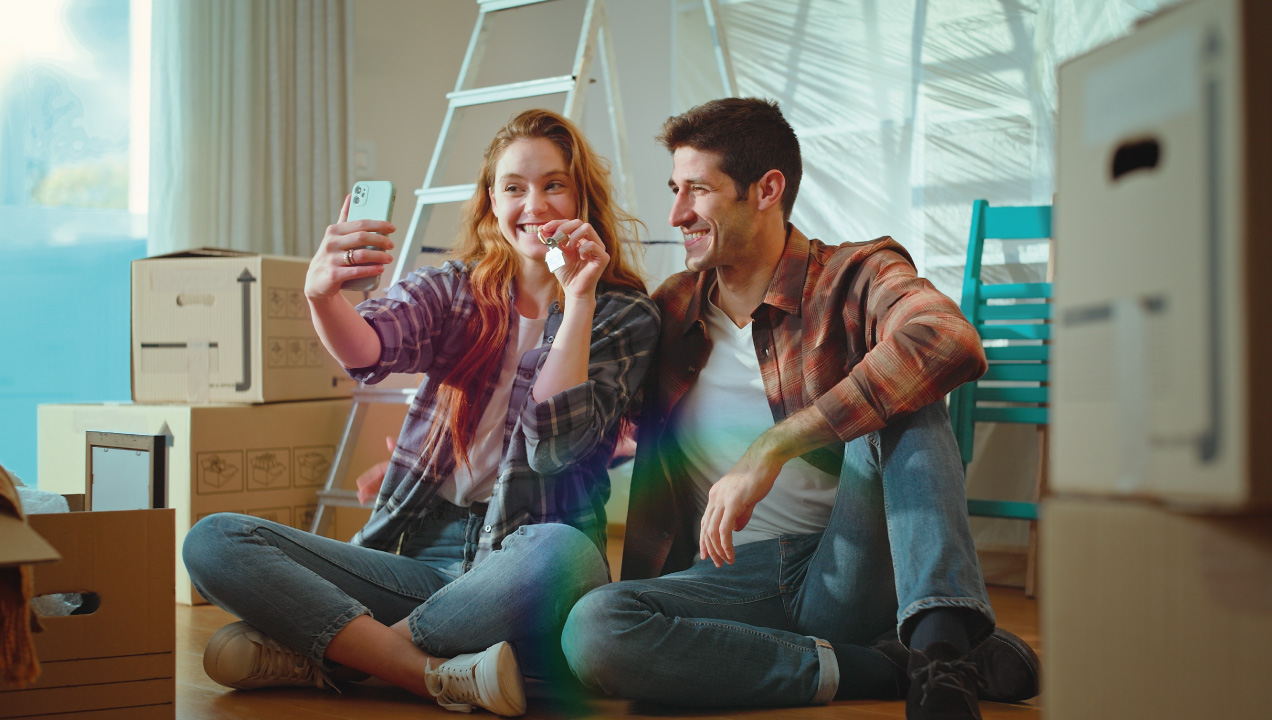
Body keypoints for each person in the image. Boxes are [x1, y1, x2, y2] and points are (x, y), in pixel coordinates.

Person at [560, 98, 1040, 719]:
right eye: (675, 190)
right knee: (594, 628)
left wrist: (772, 446)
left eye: (697, 191)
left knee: (906, 396)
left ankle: (939, 652)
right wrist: (570, 297)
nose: (676, 214)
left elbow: (948, 340)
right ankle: (891, 662)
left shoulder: (853, 273)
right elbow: (573, 434)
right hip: (729, 577)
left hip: (848, 562)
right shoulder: (673, 309)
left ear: (767, 189)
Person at [182, 109, 659, 718]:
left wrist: (580, 297)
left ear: (582, 195)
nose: (533, 205)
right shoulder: (455, 288)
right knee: (215, 539)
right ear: (492, 201)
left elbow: (555, 449)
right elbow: (369, 348)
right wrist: (321, 295)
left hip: (524, 567)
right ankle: (425, 671)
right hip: (419, 556)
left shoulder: (624, 315)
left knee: (564, 553)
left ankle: (339, 656)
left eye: (553, 184)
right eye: (514, 187)